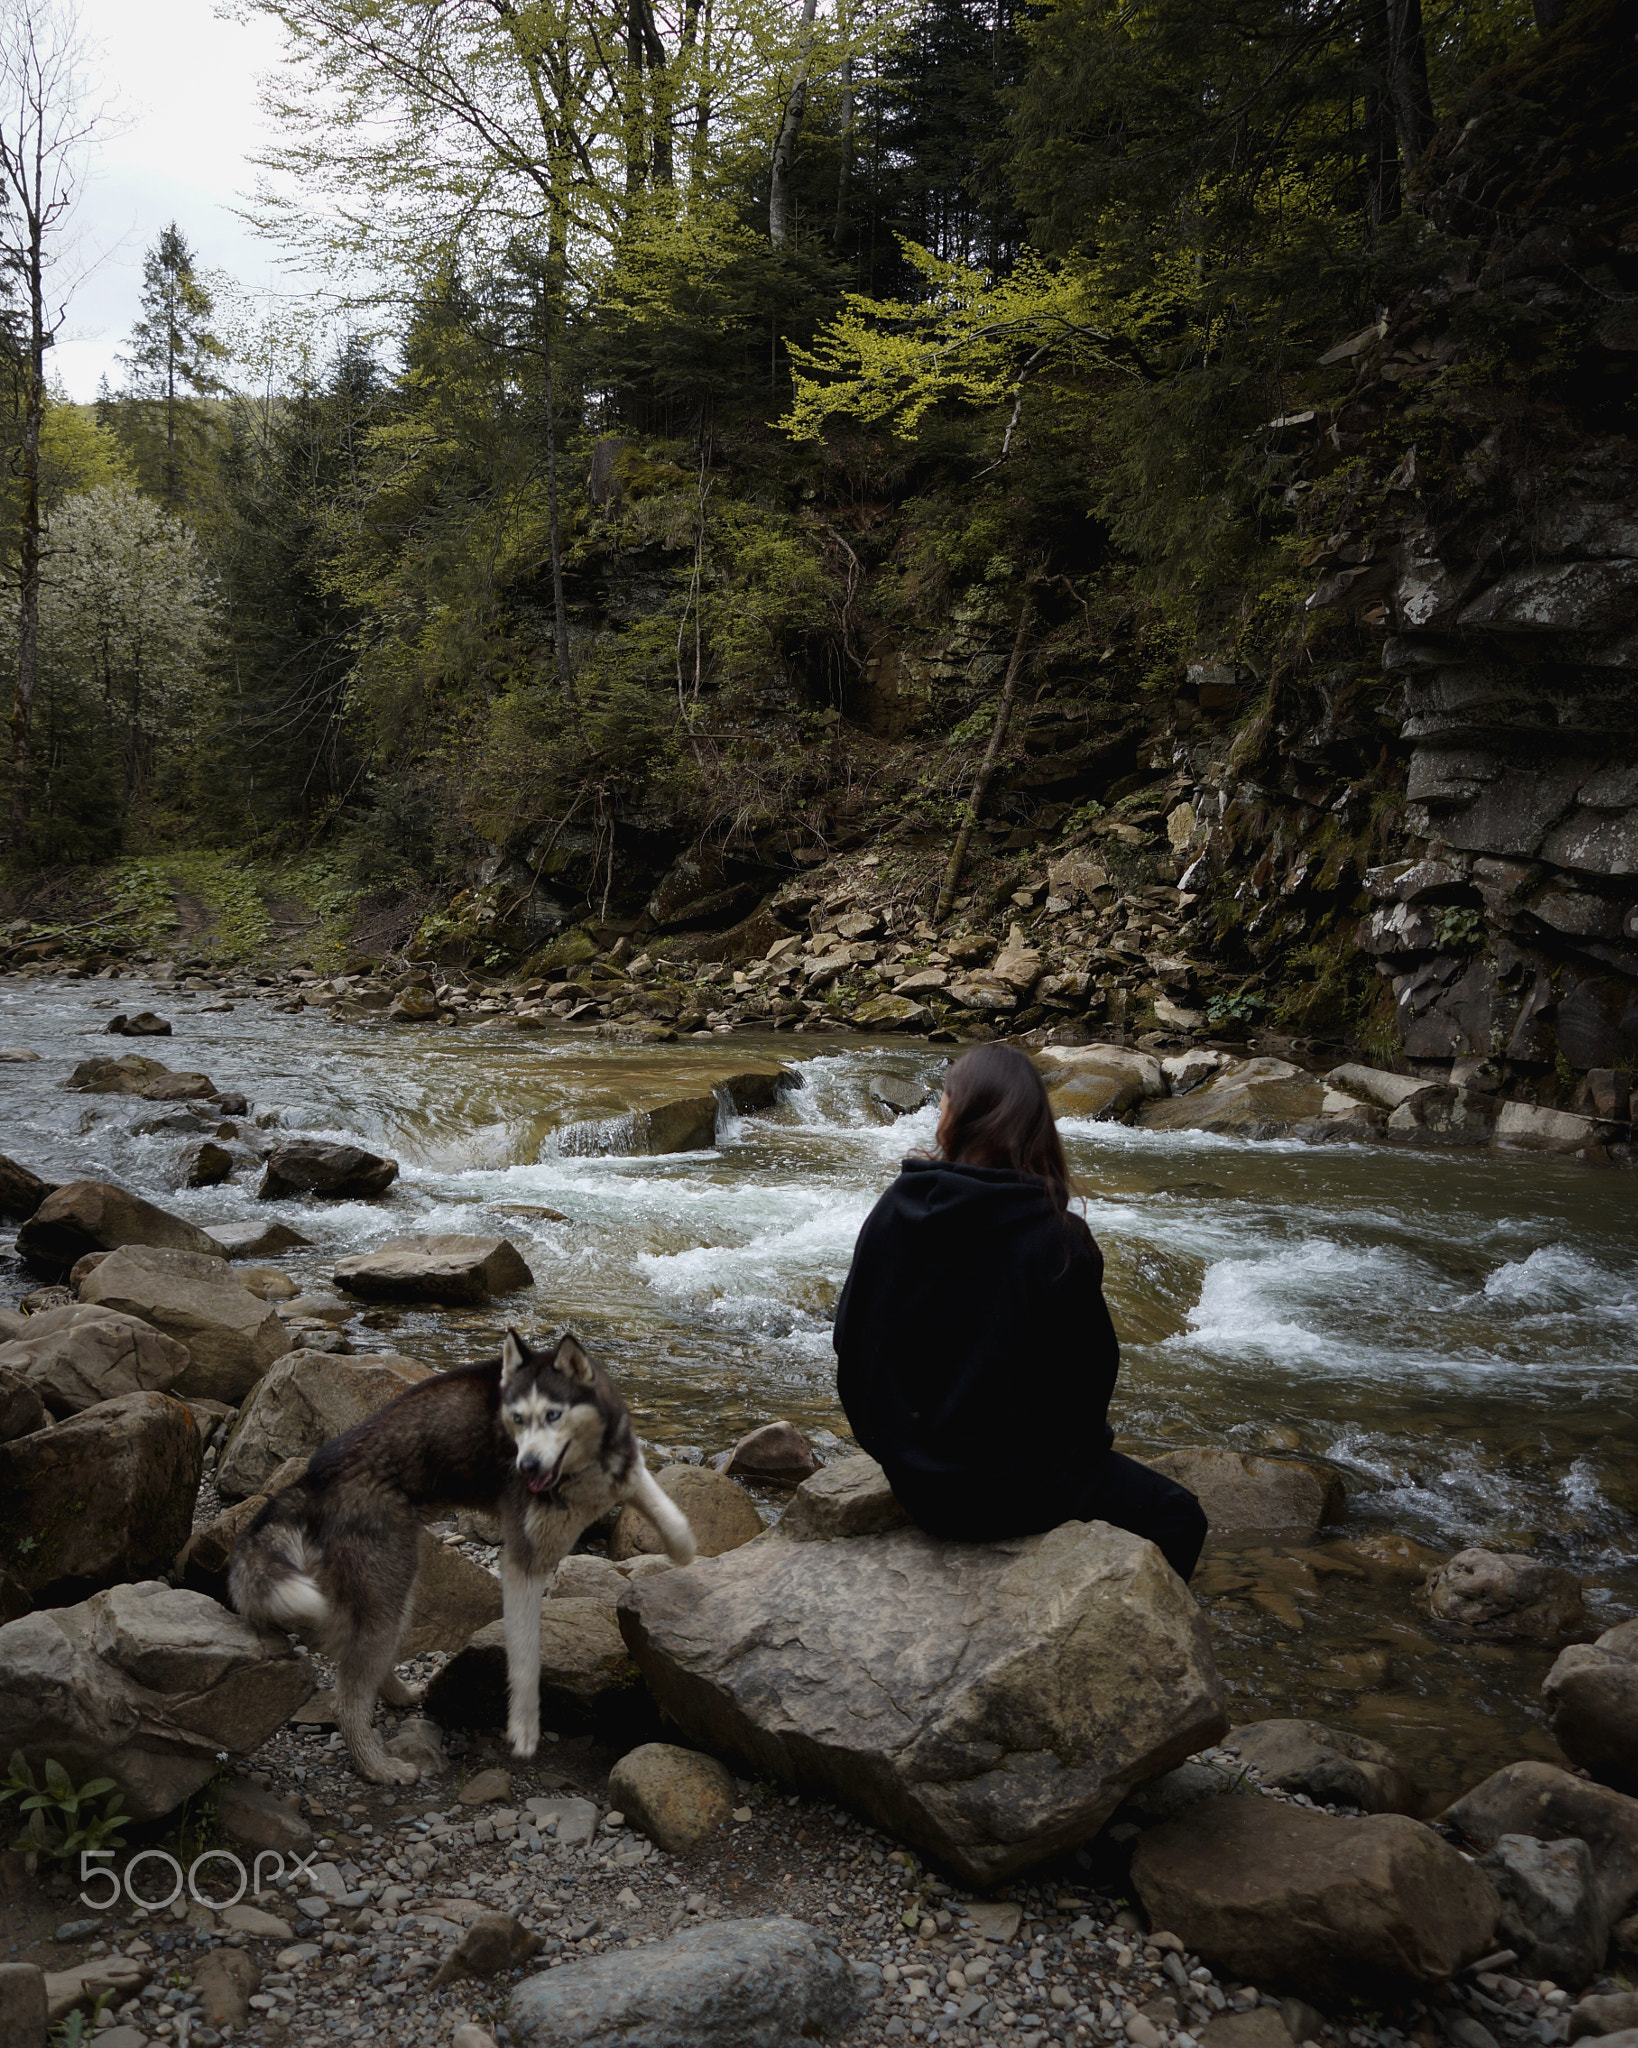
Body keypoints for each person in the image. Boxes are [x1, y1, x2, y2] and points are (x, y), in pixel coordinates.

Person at [832, 1041, 1208, 1582]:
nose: (938, 1111)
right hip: (1018, 1491)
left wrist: (900, 1451)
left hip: (916, 1486)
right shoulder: (1059, 1237)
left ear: (959, 1116)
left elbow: (851, 1342)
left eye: (944, 1100)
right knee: (1179, 1518)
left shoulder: (897, 1207)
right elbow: (1090, 1381)